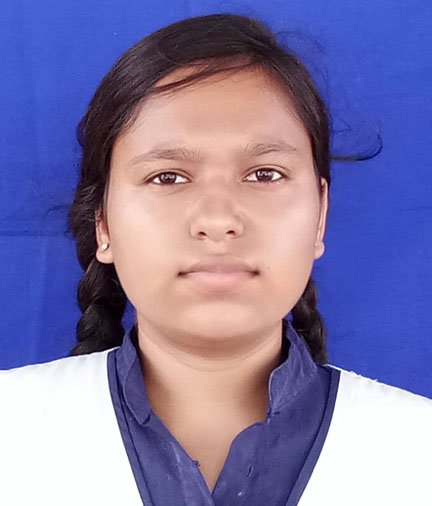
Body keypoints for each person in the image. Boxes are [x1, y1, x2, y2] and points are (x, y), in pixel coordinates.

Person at [1, 13, 431, 506]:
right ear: (103, 225)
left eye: (264, 174)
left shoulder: (417, 450)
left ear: (320, 215)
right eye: (167, 177)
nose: (218, 220)